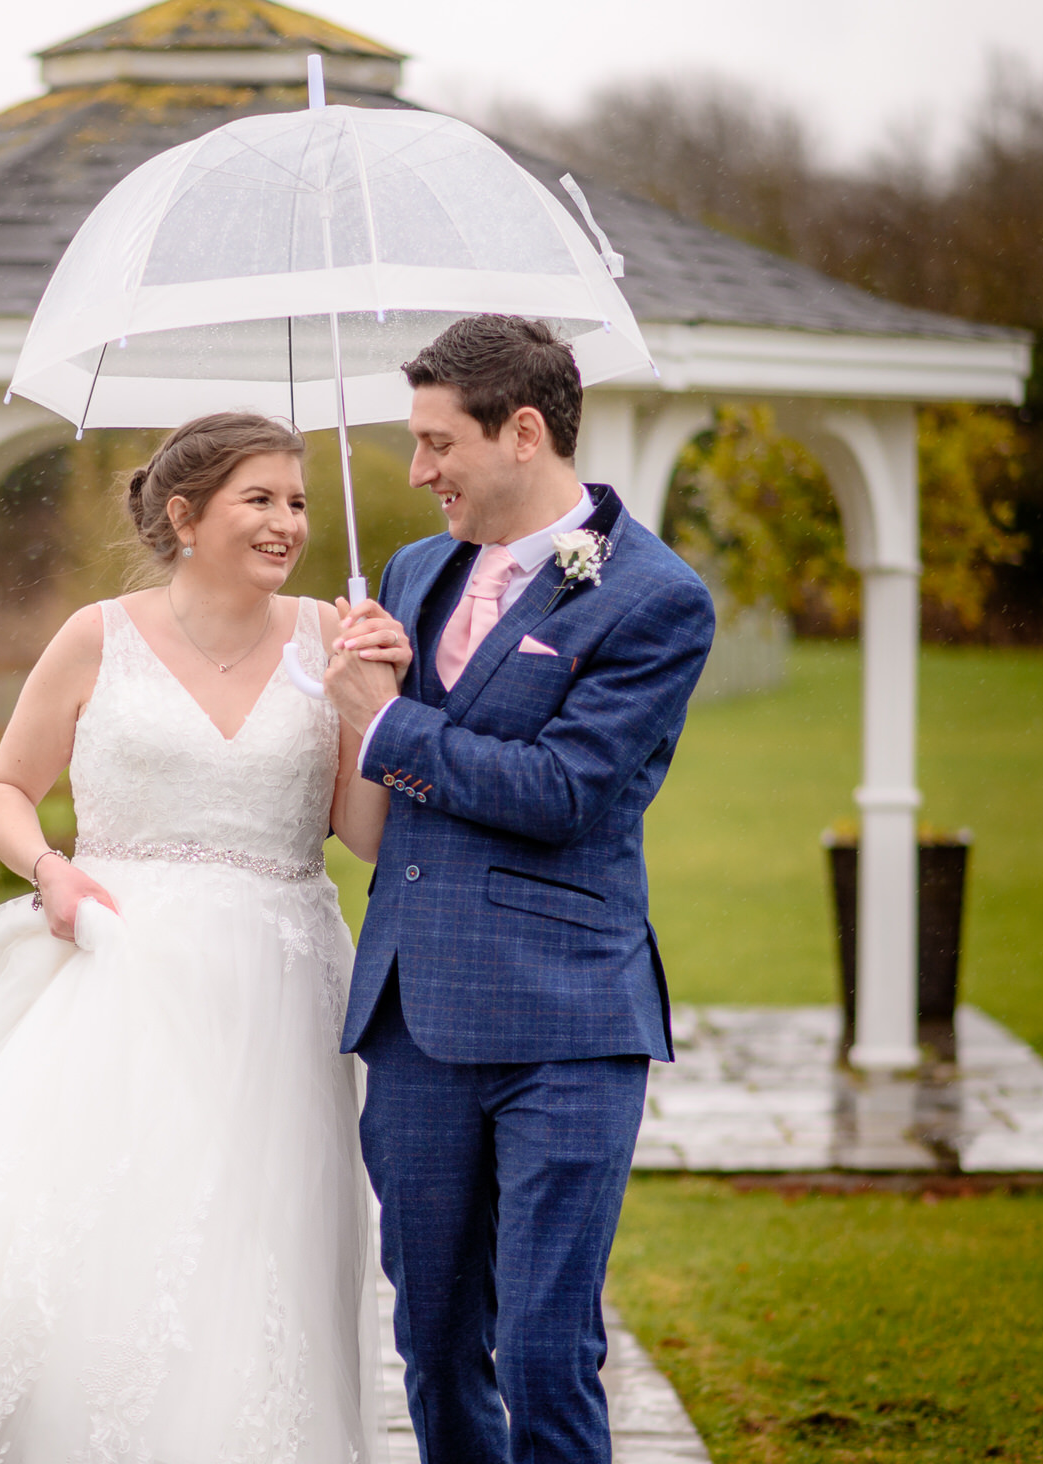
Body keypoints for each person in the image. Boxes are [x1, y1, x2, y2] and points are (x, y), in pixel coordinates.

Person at [0, 411, 403, 1464]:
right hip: (120, 965)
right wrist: (50, 869)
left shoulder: (331, 638)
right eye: (258, 498)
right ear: (184, 513)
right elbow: (1, 791)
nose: (287, 523)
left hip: (278, 982)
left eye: (297, 502)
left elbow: (361, 835)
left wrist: (376, 707)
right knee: (114, 1223)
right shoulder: (95, 635)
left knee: (260, 1246)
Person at [323, 315, 716, 1463]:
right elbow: (380, 797)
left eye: (437, 443)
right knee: (435, 1345)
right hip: (414, 1022)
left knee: (546, 1347)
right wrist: (364, 706)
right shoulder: (408, 570)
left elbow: (565, 793)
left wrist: (388, 724)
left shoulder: (655, 597)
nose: (417, 470)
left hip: (566, 1018)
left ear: (523, 432)